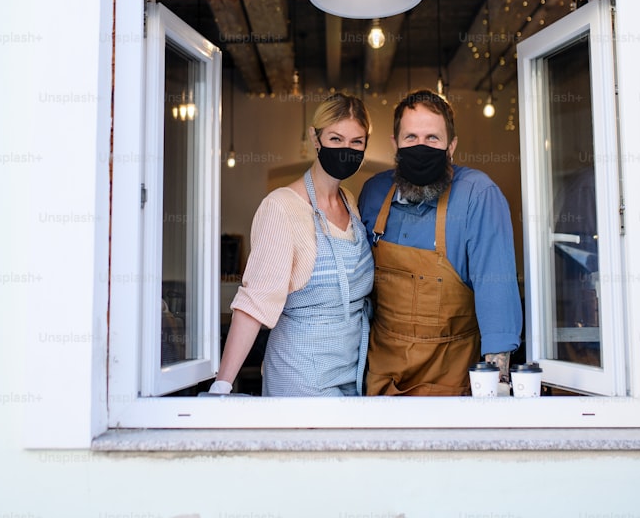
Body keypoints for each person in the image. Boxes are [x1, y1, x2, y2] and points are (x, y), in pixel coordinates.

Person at [208, 93, 374, 396]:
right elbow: (255, 302)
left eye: (356, 142)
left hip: (352, 373)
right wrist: (223, 383)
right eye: (335, 139)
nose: (346, 150)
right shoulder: (282, 207)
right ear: (315, 138)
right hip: (301, 377)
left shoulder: (350, 203)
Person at [358, 89, 523, 396]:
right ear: (394, 145)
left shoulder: (478, 195)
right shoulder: (373, 193)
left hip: (451, 384)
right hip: (382, 383)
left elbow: (496, 294)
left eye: (432, 138)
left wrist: (496, 389)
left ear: (452, 146)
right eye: (411, 138)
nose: (421, 147)